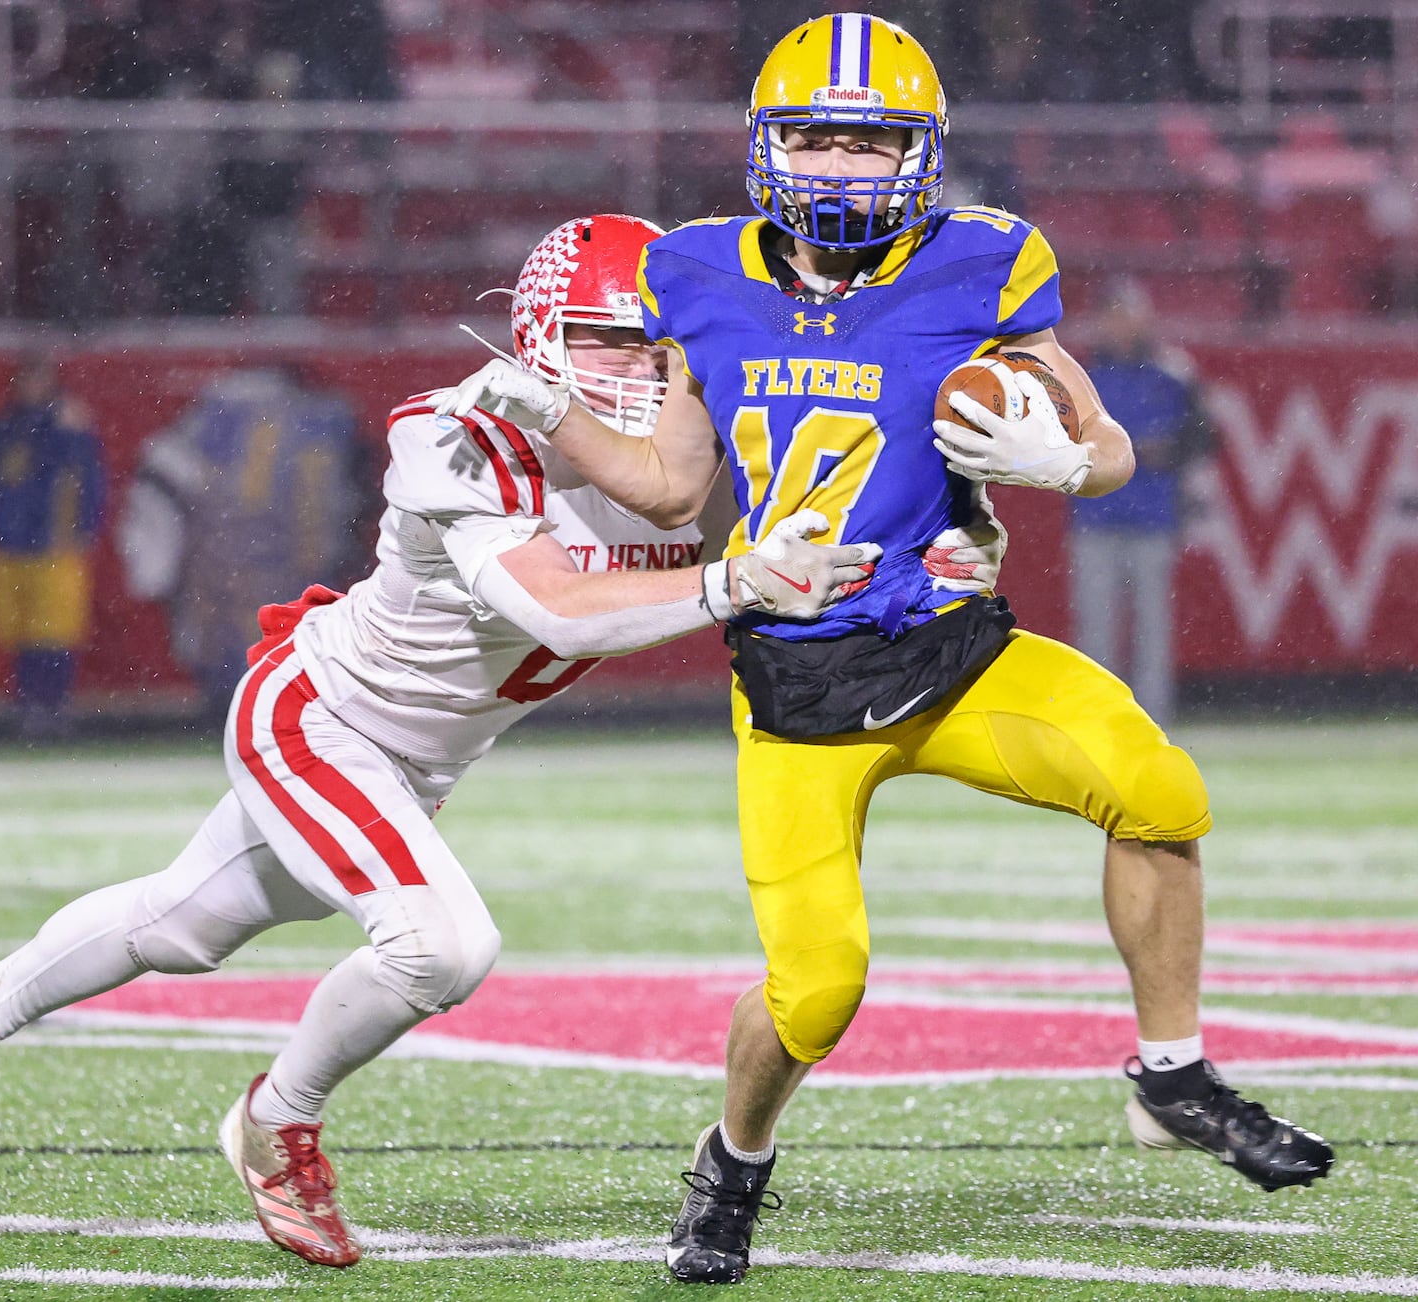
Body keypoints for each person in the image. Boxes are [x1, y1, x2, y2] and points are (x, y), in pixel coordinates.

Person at [0, 213, 999, 1270]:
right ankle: (275, 1122)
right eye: (609, 340)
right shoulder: (462, 433)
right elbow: (556, 607)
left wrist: (939, 552)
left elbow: (845, 527)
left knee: (183, 924)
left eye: (664, 347)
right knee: (439, 947)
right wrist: (735, 581)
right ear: (539, 337)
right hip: (321, 717)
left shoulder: (712, 449)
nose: (644, 369)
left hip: (421, 759)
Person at [438, 16, 1333, 1286]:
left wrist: (1063, 462)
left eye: (872, 143)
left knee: (1158, 790)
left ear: (923, 154)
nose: (843, 166)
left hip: (952, 650)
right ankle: (732, 1158)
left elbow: (1107, 444)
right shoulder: (696, 272)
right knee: (816, 991)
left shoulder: (983, 262)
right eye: (818, 138)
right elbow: (670, 484)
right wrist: (555, 420)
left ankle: (1173, 1075)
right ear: (767, 145)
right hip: (797, 684)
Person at [115, 365, 376, 724]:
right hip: (277, 554)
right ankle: (251, 702)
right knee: (264, 632)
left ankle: (245, 703)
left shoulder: (282, 422)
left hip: (271, 553)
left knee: (257, 630)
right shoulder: (311, 420)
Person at [1069, 276, 1212, 723]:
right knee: (1097, 628)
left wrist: (1169, 451)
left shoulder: (1172, 375)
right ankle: (1100, 716)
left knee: (1151, 627)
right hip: (1099, 515)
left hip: (1151, 514)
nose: (1122, 324)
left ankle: (1151, 718)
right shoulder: (1085, 377)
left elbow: (1205, 436)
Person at [0, 354, 108, 737]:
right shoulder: (6, 428)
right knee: (20, 631)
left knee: (54, 631)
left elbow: (90, 480)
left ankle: (52, 705)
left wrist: (84, 528)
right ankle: (30, 705)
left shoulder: (66, 428)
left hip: (54, 544)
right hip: (12, 543)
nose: (32, 387)